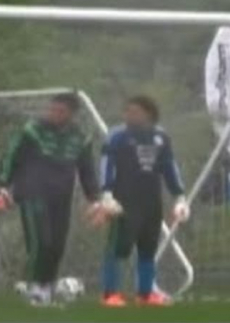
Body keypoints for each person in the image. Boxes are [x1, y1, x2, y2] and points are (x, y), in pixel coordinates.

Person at [0, 93, 101, 307]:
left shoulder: (80, 137)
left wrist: (94, 198)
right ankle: (34, 289)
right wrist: (2, 186)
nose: (54, 114)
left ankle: (46, 289)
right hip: (32, 193)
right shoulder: (32, 130)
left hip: (62, 197)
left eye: (61, 111)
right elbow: (11, 155)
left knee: (57, 245)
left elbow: (86, 169)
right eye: (52, 109)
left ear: (72, 114)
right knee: (41, 242)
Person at [97, 95, 189, 307]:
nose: (129, 115)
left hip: (151, 201)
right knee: (117, 249)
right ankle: (110, 294)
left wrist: (179, 196)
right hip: (123, 202)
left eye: (135, 111)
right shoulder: (117, 136)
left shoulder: (161, 137)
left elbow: (169, 167)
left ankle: (145, 294)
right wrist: (107, 194)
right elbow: (107, 165)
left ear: (148, 113)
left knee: (148, 248)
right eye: (127, 111)